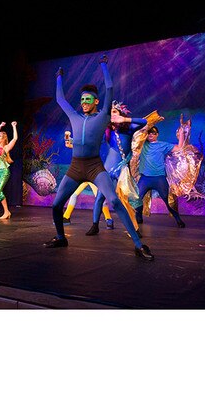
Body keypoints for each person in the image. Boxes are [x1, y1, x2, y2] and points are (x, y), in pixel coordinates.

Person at [45, 55, 153, 261]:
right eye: (82, 99)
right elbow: (60, 99)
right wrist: (58, 77)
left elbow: (110, 88)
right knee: (56, 205)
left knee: (114, 201)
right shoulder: (74, 116)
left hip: (94, 166)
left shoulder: (103, 116)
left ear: (96, 101)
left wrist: (103, 65)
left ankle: (139, 245)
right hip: (75, 167)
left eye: (88, 99)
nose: (84, 102)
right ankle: (60, 237)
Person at [87, 100, 147, 236]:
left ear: (120, 113)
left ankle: (134, 229)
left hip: (122, 170)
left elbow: (144, 122)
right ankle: (95, 225)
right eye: (110, 113)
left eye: (115, 112)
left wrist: (124, 119)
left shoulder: (129, 129)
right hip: (107, 168)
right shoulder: (107, 131)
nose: (112, 115)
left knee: (126, 199)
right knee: (100, 196)